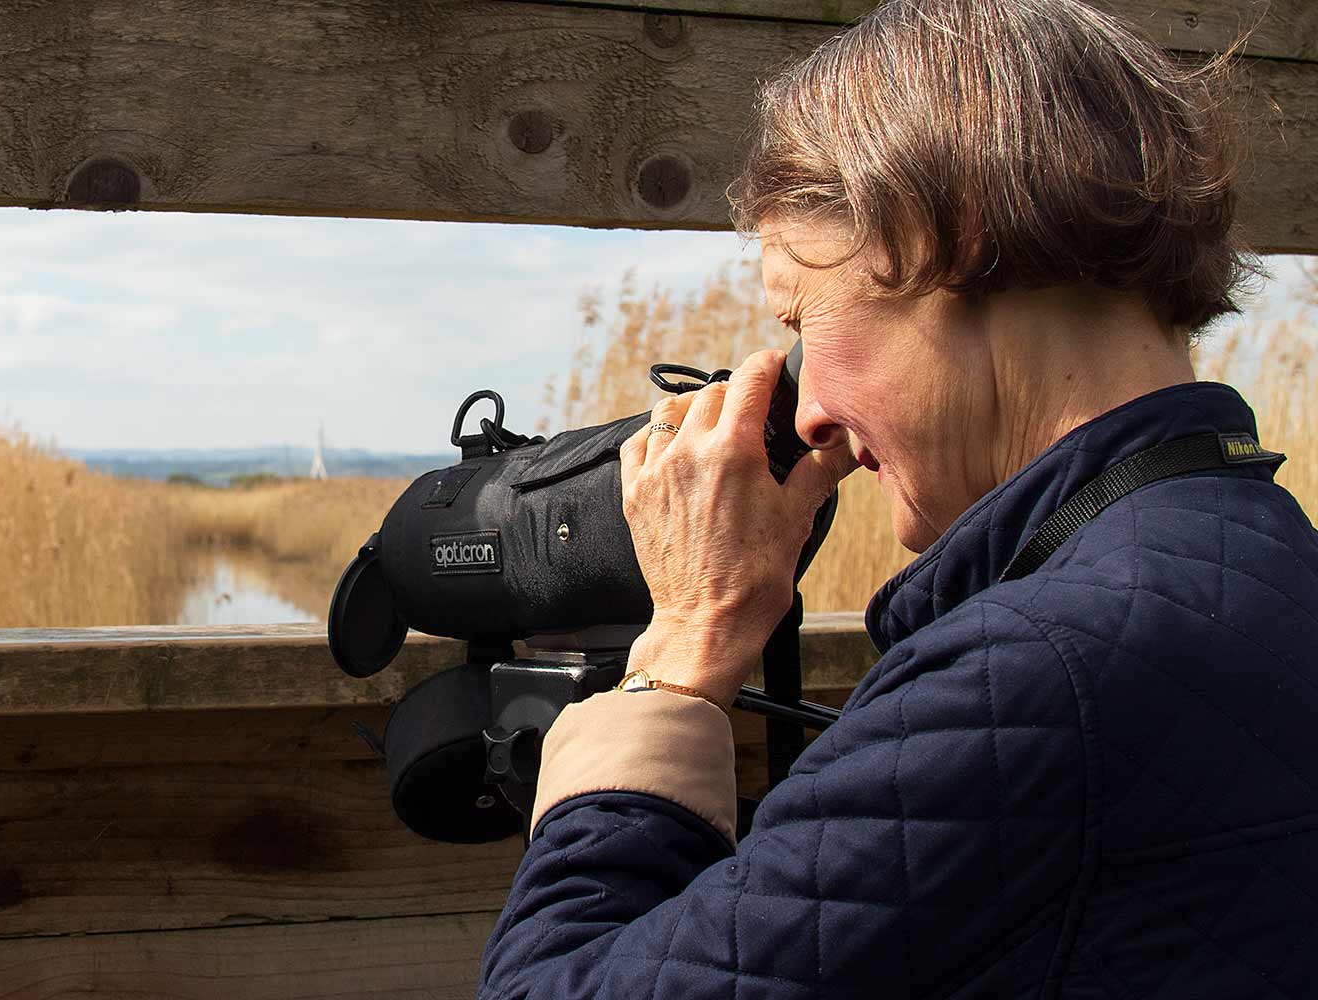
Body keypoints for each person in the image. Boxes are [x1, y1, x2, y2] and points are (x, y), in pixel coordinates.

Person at [477, 1, 1318, 997]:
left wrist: (681, 651)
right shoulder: (1273, 566)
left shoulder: (1027, 681)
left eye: (802, 320)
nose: (810, 414)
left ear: (935, 234)